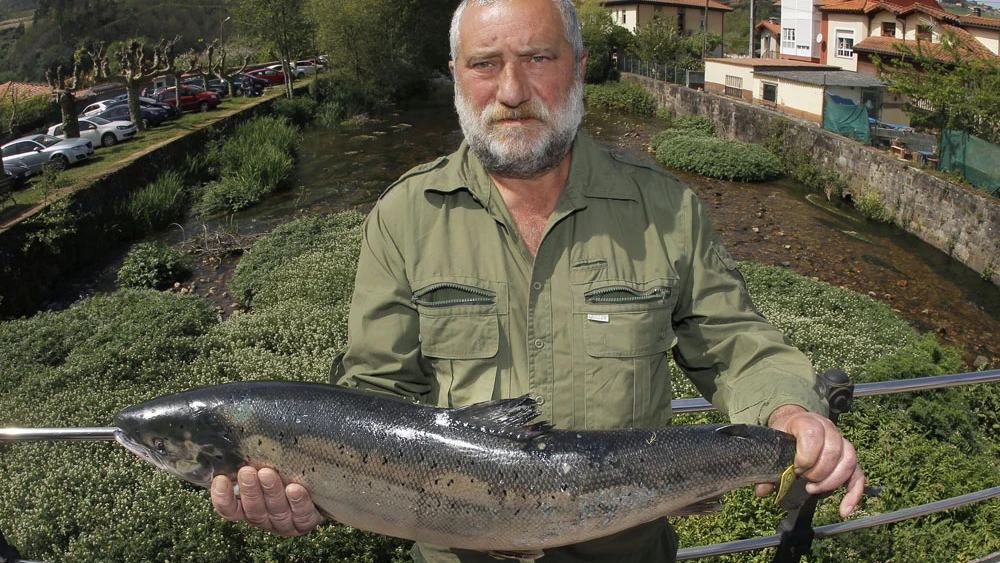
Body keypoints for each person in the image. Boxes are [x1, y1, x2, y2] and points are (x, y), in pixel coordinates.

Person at [211, 0, 865, 560]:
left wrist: (788, 409)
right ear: (456, 79)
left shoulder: (666, 211)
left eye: (539, 59)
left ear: (579, 69)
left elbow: (735, 346)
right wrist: (308, 487)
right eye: (485, 63)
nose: (512, 89)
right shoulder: (402, 218)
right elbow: (373, 402)